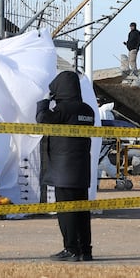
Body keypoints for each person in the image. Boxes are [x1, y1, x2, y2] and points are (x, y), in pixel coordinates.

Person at [36, 71, 97, 262]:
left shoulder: (63, 110)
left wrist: (44, 101)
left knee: (66, 211)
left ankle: (70, 249)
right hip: (81, 169)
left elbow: (42, 119)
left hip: (63, 170)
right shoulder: (88, 110)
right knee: (81, 210)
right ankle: (85, 250)